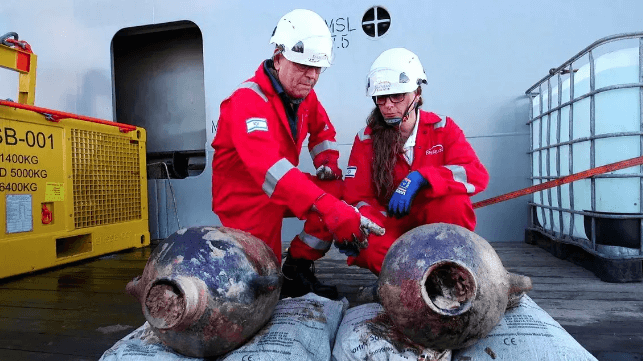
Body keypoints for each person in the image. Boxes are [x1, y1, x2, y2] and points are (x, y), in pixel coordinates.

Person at [211, 9, 379, 299]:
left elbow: (323, 131)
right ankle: (277, 275)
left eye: (317, 68)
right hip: (246, 199)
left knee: (338, 191)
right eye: (303, 65)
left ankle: (297, 266)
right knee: (262, 284)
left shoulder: (303, 96)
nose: (311, 76)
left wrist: (327, 164)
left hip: (283, 186)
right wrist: (327, 207)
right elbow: (269, 169)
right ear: (278, 58)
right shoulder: (246, 102)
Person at [343, 48, 490, 275]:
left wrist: (422, 178)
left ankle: (445, 271)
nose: (389, 105)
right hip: (391, 224)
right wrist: (378, 222)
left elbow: (475, 175)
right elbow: (357, 198)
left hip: (434, 221)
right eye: (381, 97)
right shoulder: (366, 139)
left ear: (417, 93)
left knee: (454, 203)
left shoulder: (442, 128)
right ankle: (425, 281)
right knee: (369, 246)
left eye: (397, 96)